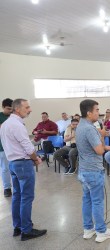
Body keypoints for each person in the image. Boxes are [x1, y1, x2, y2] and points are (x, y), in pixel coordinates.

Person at [0, 98, 47, 241]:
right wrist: (35, 158)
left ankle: (18, 226)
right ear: (17, 109)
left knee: (17, 196)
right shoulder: (17, 125)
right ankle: (26, 230)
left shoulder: (6, 124)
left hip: (13, 163)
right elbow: (28, 147)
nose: (30, 109)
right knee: (26, 197)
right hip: (23, 163)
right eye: (27, 107)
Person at [76, 99, 110, 242]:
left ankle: (88, 229)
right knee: (97, 201)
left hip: (83, 170)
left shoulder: (80, 125)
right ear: (89, 113)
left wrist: (100, 135)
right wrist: (102, 136)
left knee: (87, 200)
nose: (99, 113)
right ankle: (101, 231)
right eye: (97, 110)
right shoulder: (89, 128)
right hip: (93, 171)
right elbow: (99, 150)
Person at [0, 98, 13, 197]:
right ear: (3, 107)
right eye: (8, 109)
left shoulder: (13, 117)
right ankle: (7, 188)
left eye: (11, 109)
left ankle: (16, 186)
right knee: (5, 168)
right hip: (2, 147)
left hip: (14, 147)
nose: (10, 111)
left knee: (15, 167)